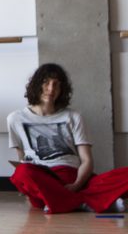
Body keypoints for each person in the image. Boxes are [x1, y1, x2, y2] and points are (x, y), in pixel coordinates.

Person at [8, 63, 127, 214]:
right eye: (46, 82)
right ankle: (85, 201)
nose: (51, 89)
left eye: (56, 85)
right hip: (43, 178)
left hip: (73, 176)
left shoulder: (73, 117)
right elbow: (22, 160)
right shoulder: (15, 118)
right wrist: (29, 187)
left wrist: (76, 184)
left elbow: (87, 161)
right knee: (21, 173)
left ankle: (63, 201)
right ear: (36, 84)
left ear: (62, 90)